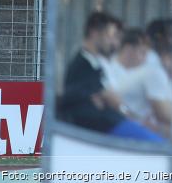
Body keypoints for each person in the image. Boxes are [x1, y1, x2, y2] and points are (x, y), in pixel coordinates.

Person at [57, 11, 165, 142]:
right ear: (94, 33)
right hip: (103, 126)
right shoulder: (83, 64)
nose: (114, 42)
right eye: (110, 35)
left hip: (111, 122)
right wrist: (106, 100)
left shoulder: (98, 63)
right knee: (160, 146)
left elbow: (109, 98)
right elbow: (109, 100)